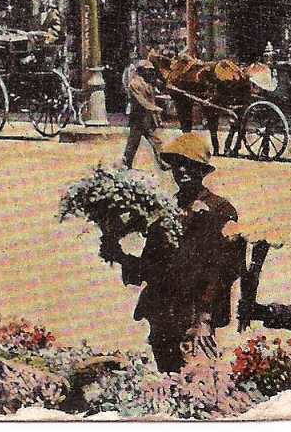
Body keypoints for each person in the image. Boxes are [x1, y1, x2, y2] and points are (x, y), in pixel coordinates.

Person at [102, 133, 245, 372]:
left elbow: (228, 269)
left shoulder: (221, 210)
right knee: (168, 377)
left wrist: (204, 317)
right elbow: (152, 264)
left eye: (191, 165)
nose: (183, 171)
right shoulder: (163, 209)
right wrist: (118, 254)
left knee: (197, 382)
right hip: (162, 312)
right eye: (178, 164)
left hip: (195, 313)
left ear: (202, 171)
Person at [124, 59, 168, 171]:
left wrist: (157, 118)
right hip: (138, 119)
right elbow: (141, 101)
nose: (150, 72)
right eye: (148, 70)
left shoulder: (148, 83)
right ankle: (126, 164)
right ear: (141, 70)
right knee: (133, 144)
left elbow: (152, 99)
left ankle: (163, 163)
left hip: (148, 119)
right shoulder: (134, 84)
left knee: (156, 141)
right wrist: (155, 109)